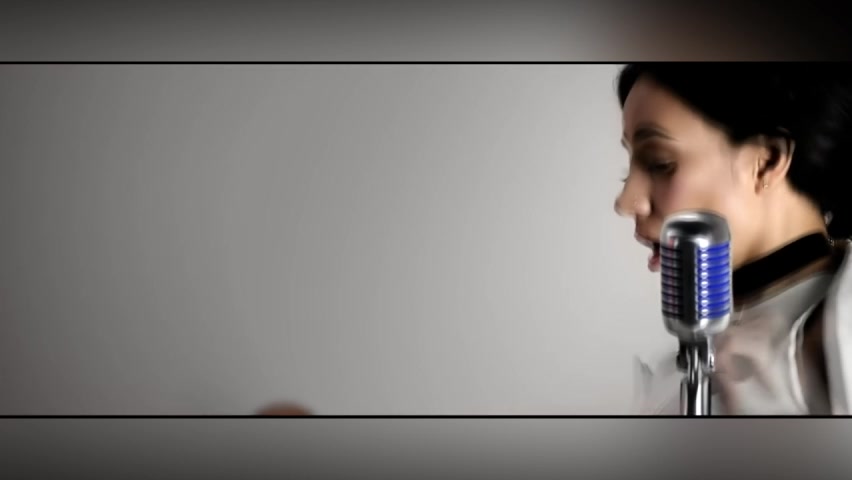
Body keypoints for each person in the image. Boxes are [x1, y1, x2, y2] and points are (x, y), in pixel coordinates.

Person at [614, 63, 852, 415]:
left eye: (659, 163)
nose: (625, 202)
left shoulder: (836, 336)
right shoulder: (674, 372)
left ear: (767, 161)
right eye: (628, 170)